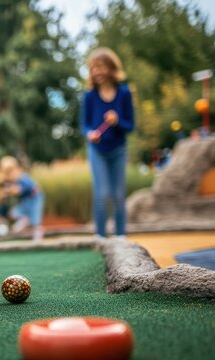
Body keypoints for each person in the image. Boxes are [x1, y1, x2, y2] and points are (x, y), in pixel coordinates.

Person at [80, 47, 134, 240]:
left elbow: (130, 126)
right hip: (98, 151)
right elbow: (85, 125)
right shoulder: (89, 96)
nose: (96, 71)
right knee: (102, 195)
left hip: (118, 150)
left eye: (100, 67)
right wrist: (90, 134)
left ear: (111, 68)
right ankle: (100, 237)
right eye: (93, 68)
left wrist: (117, 120)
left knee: (119, 195)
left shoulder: (124, 93)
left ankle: (121, 237)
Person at [0, 156, 44, 241]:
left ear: (16, 169)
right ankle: (24, 220)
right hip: (25, 199)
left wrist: (6, 192)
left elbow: (20, 189)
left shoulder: (23, 177)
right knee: (13, 213)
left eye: (9, 172)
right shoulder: (12, 178)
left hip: (35, 198)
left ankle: (37, 238)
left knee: (35, 219)